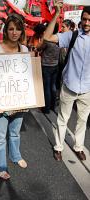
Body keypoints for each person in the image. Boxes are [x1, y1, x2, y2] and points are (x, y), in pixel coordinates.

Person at [43, 1, 90, 161]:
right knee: (63, 118)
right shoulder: (72, 35)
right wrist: (56, 14)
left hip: (87, 90)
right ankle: (58, 147)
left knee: (82, 121)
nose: (86, 23)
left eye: (89, 20)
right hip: (69, 86)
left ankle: (78, 147)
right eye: (84, 19)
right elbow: (47, 37)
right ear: (81, 19)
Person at [0, 13, 28, 180]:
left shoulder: (24, 50)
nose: (14, 32)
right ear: (6, 30)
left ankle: (16, 156)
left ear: (22, 31)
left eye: (18, 29)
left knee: (15, 133)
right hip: (0, 102)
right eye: (11, 28)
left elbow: (27, 77)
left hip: (19, 101)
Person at [37, 23, 60, 114]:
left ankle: (46, 109)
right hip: (55, 65)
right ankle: (52, 106)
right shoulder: (58, 39)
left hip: (46, 65)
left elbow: (39, 48)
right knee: (53, 86)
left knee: (47, 87)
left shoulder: (47, 39)